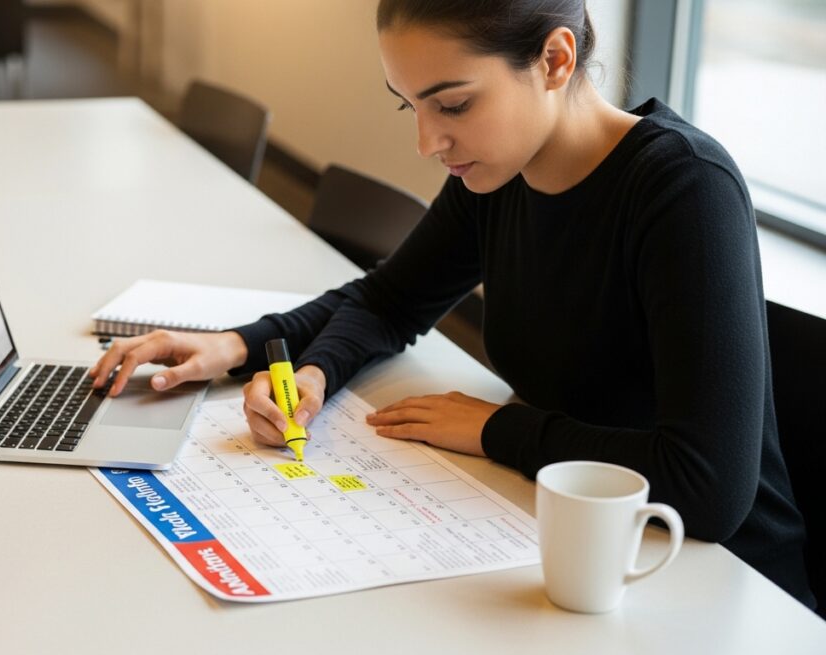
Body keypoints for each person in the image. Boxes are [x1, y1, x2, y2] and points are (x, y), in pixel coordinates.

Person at [89, 0, 815, 608]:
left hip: (715, 582)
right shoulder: (499, 176)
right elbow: (389, 299)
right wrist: (254, 350)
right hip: (572, 543)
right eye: (411, 105)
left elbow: (711, 488)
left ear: (556, 61)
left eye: (454, 104)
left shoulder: (683, 189)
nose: (427, 140)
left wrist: (501, 429)